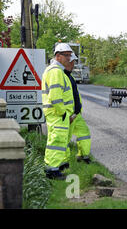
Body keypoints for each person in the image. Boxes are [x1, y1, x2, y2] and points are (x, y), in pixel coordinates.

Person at [42, 43, 75, 180]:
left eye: (69, 55)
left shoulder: (55, 70)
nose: (69, 58)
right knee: (57, 141)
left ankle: (53, 167)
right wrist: (64, 113)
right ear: (58, 56)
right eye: (66, 55)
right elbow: (55, 97)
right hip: (57, 113)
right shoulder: (55, 71)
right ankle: (52, 171)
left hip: (56, 113)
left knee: (55, 140)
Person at [64, 52, 92, 164]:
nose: (73, 64)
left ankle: (83, 156)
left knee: (84, 133)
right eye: (72, 62)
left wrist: (77, 110)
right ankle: (63, 163)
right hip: (69, 114)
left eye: (74, 62)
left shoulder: (69, 75)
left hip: (76, 113)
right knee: (64, 139)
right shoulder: (62, 75)